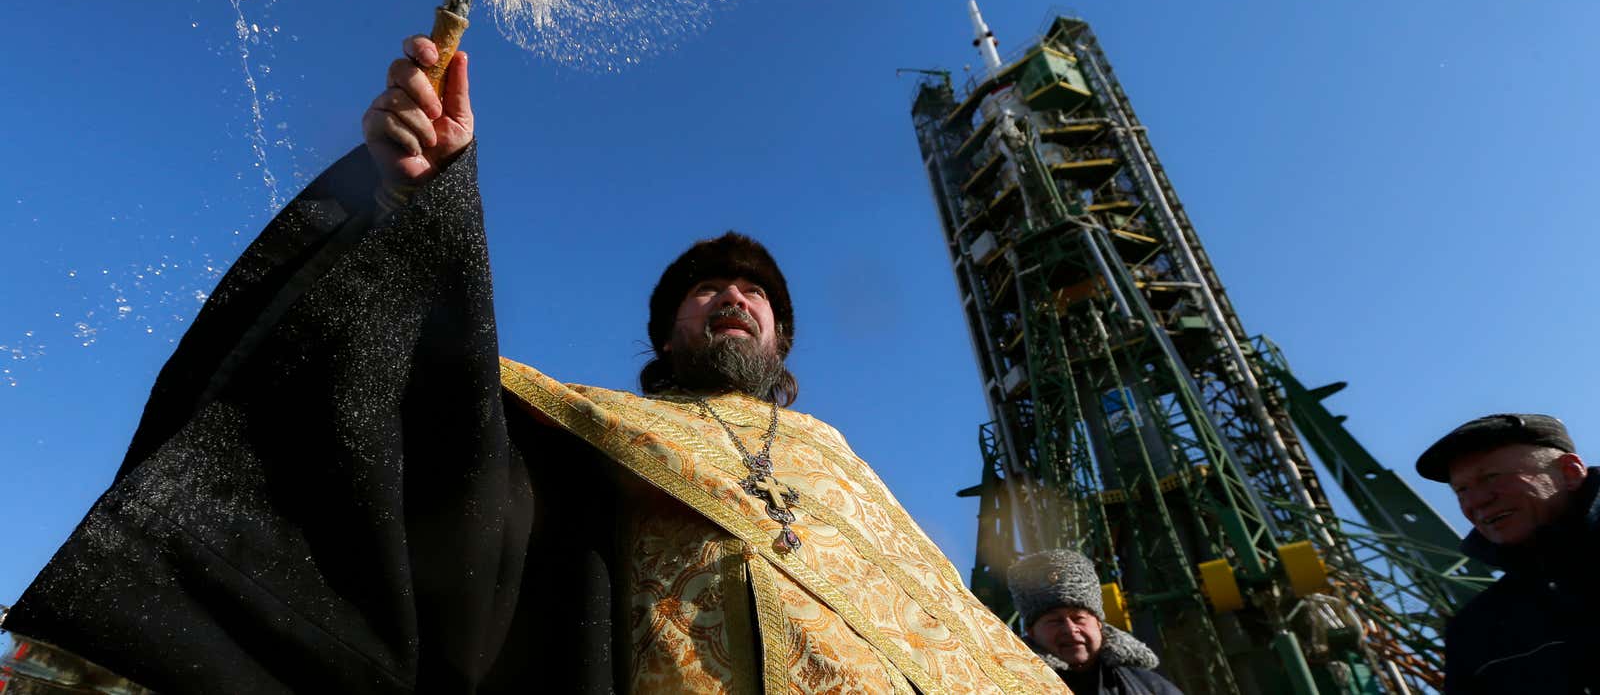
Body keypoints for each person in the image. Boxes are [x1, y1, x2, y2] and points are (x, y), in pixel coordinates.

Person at [0, 39, 1066, 694]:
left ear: (781, 340)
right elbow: (428, 449)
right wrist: (419, 202)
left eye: (756, 294)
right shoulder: (595, 434)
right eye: (706, 289)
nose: (732, 295)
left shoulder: (843, 462)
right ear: (666, 337)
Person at [1414, 412, 1600, 693]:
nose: (1477, 501)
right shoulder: (1476, 631)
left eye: (1491, 477)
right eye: (1461, 490)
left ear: (1570, 472)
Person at [1006, 550, 1182, 695]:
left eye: (1078, 618)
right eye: (1054, 621)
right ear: (1031, 632)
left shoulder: (1150, 687)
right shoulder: (1009, 686)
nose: (1070, 629)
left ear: (1099, 624)